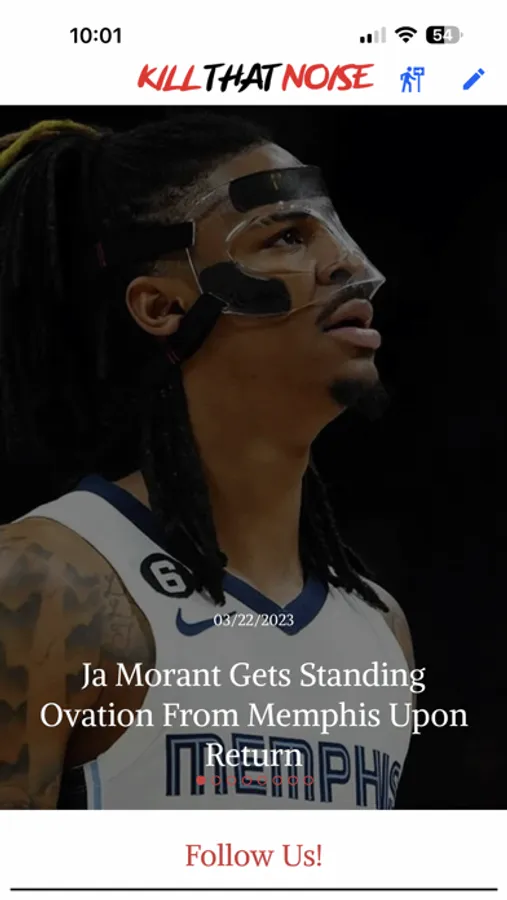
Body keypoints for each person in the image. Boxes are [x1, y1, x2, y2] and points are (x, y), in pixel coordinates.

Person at [0, 112, 414, 810]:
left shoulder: (381, 629)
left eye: (335, 230)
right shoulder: (43, 582)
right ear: (162, 305)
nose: (350, 263)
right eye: (286, 236)